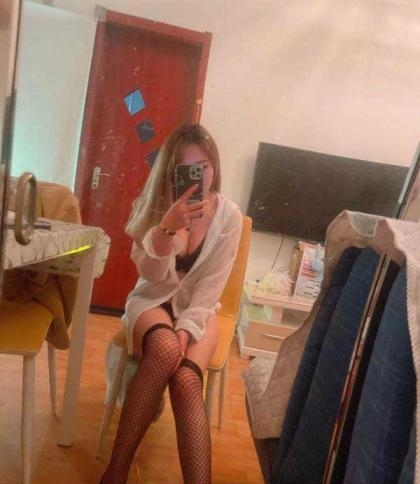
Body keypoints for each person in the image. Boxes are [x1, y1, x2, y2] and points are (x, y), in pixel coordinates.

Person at [100, 124, 243, 484]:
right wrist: (166, 229)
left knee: (186, 380)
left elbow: (211, 287)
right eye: (187, 169)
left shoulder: (229, 217)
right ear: (171, 171)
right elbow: (150, 275)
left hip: (199, 308)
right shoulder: (152, 206)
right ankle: (116, 473)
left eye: (204, 166)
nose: (199, 176)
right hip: (152, 300)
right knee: (164, 350)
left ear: (214, 167)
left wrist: (187, 330)